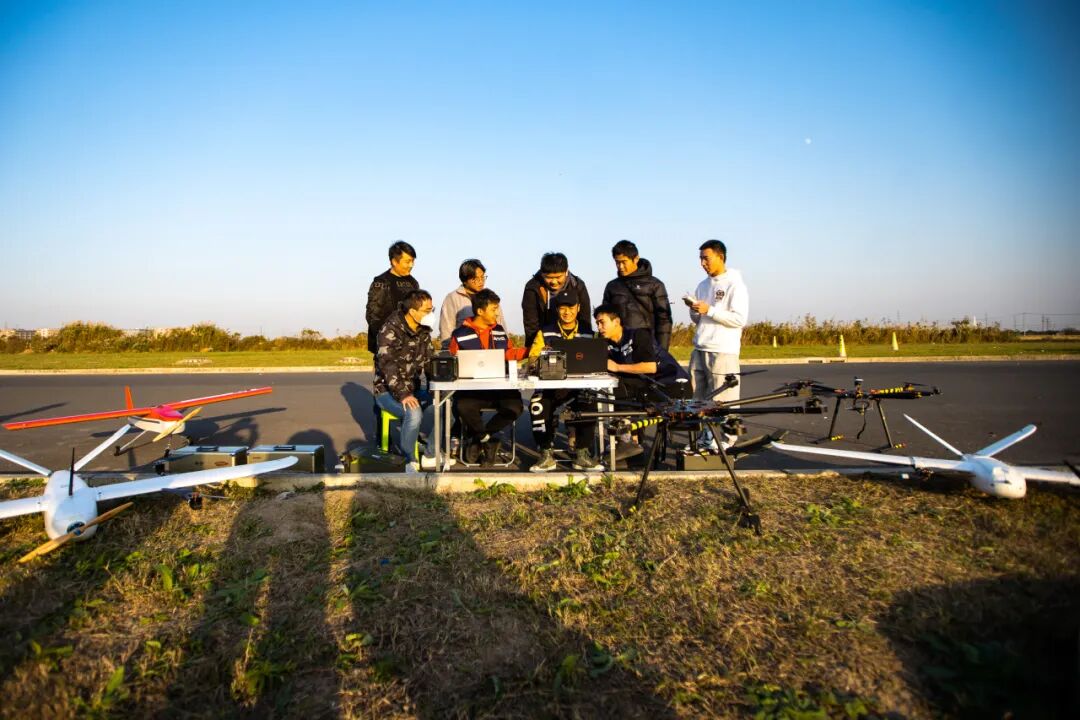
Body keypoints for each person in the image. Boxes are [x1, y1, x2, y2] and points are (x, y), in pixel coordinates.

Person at [526, 289, 602, 472]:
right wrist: (543, 359)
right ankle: (545, 453)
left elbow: (598, 360)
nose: (567, 312)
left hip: (579, 388)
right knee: (536, 404)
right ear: (557, 310)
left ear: (578, 308)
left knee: (590, 402)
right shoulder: (544, 333)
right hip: (550, 387)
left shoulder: (589, 333)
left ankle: (582, 454)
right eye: (562, 308)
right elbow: (532, 360)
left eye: (571, 307)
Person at [449, 289, 527, 465]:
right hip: (472, 390)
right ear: (480, 311)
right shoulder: (459, 334)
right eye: (494, 309)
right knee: (461, 406)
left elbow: (509, 353)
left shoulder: (499, 330)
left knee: (515, 407)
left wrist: (530, 351)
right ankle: (488, 441)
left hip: (500, 388)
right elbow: (453, 361)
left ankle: (480, 440)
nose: (497, 313)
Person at [687, 239, 749, 451]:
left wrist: (710, 310)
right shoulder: (703, 285)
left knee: (723, 398)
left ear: (720, 257)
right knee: (699, 398)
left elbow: (739, 319)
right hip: (700, 347)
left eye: (706, 258)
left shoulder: (734, 284)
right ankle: (706, 437)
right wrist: (694, 310)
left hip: (723, 350)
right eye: (700, 259)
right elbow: (698, 319)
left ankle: (727, 440)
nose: (702, 263)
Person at [372, 289, 439, 473]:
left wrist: (438, 387)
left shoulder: (423, 331)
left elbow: (429, 362)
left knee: (445, 407)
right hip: (387, 392)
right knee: (414, 412)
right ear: (412, 311)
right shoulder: (389, 330)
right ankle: (408, 459)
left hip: (414, 389)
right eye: (427, 310)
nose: (431, 314)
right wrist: (404, 394)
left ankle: (430, 454)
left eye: (432, 309)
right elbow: (388, 366)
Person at [365, 241, 420, 447]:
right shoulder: (381, 283)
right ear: (393, 261)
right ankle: (383, 440)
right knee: (385, 389)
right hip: (387, 346)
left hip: (410, 348)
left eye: (412, 261)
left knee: (413, 388)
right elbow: (372, 316)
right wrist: (388, 339)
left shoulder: (413, 282)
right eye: (406, 261)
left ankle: (413, 434)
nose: (410, 265)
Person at [594, 303, 691, 403]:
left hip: (674, 385)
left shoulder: (639, 335)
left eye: (602, 322)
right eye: (597, 324)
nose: (599, 327)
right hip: (650, 387)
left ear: (616, 322)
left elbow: (650, 367)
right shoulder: (607, 344)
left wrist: (617, 367)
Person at [601, 240, 674, 349]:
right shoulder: (612, 286)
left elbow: (664, 320)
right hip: (618, 347)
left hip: (646, 346)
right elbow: (605, 318)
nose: (620, 266)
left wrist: (661, 351)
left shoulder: (655, 285)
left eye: (624, 262)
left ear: (636, 259)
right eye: (617, 262)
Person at [521, 252, 592, 353]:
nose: (554, 282)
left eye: (558, 277)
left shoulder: (577, 286)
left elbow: (585, 319)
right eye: (549, 277)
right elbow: (531, 323)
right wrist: (535, 349)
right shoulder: (532, 287)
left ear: (566, 272)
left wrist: (585, 345)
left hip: (575, 340)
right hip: (545, 340)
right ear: (542, 273)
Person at [438, 259, 505, 347]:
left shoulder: (490, 297)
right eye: (475, 279)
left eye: (483, 277)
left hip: (492, 349)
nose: (481, 281)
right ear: (465, 280)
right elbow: (446, 329)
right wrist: (449, 350)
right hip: (464, 350)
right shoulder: (452, 298)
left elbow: (501, 324)